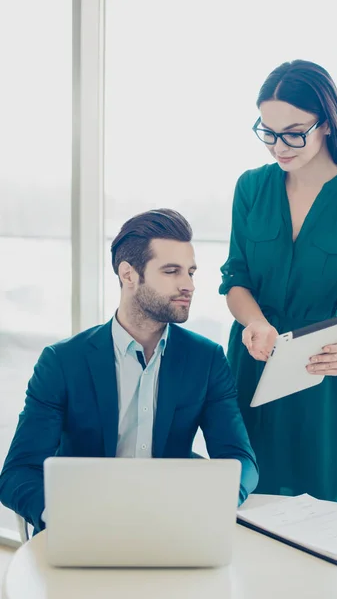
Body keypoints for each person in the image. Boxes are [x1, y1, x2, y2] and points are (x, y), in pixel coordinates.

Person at [0, 209, 258, 534]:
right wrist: (65, 518)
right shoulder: (62, 361)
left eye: (190, 272)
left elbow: (240, 459)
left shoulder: (206, 359)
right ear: (129, 274)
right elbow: (19, 472)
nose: (188, 285)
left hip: (170, 528)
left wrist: (212, 505)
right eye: (171, 271)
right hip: (82, 528)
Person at [219, 60, 337, 504]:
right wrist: (254, 323)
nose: (280, 146)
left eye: (294, 132)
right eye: (269, 132)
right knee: (241, 506)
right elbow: (235, 279)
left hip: (319, 378)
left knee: (322, 515)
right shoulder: (251, 188)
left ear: (328, 123)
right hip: (250, 367)